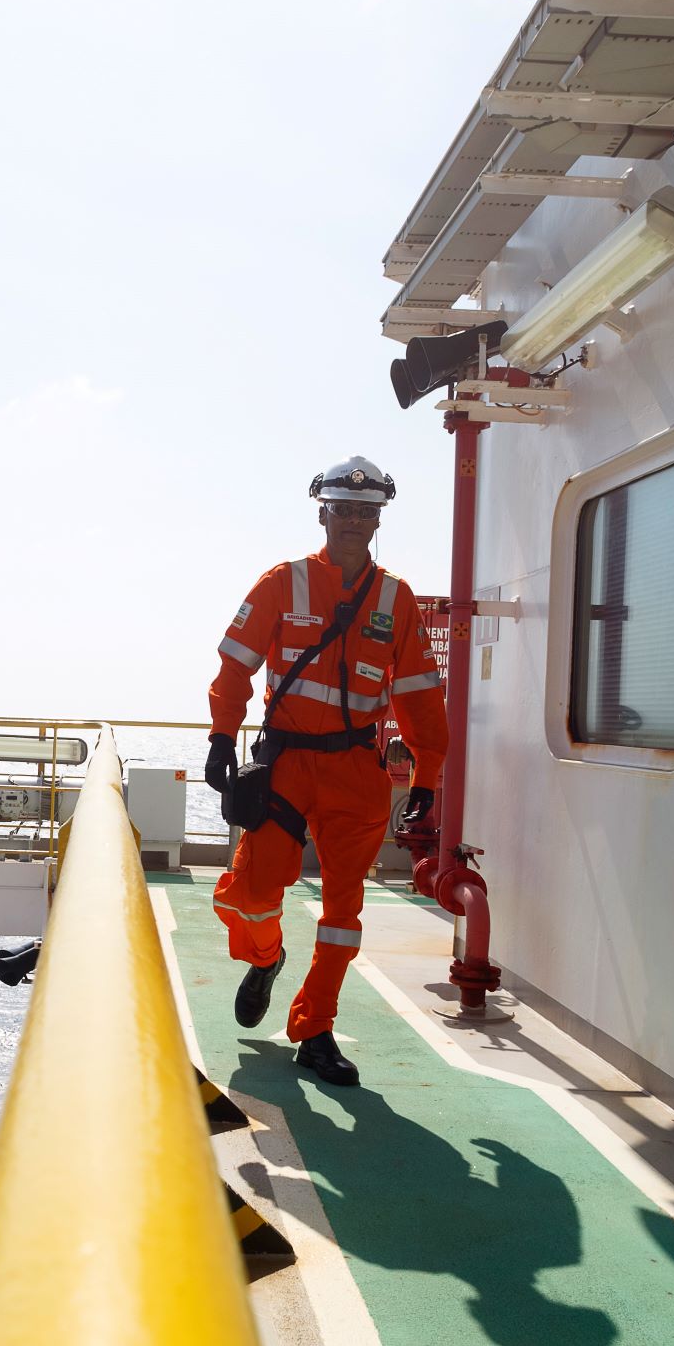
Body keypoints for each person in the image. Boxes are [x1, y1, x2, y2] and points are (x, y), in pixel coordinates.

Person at [205, 457, 448, 1085]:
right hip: (284, 766)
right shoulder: (281, 583)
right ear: (324, 513)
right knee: (255, 894)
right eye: (344, 509)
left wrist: (427, 776)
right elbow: (235, 666)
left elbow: (420, 695)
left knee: (343, 911)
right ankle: (266, 959)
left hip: (356, 771)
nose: (355, 521)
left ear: (377, 521)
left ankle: (315, 1028)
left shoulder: (396, 599)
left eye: (367, 512)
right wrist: (221, 737)